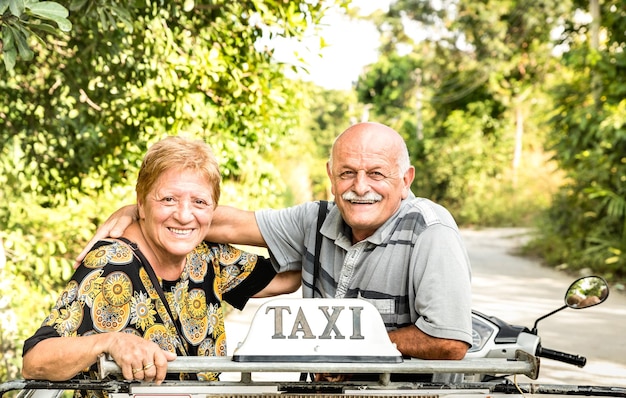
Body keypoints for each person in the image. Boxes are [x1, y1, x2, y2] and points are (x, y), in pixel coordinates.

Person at [79, 122, 473, 366]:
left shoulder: (430, 233)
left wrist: (352, 350)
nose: (360, 187)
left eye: (376, 174)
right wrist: (144, 210)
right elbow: (230, 223)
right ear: (331, 176)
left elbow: (450, 341)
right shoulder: (317, 219)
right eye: (347, 173)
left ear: (405, 180)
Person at [22, 136, 300, 391]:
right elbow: (35, 360)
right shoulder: (111, 265)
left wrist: (201, 222)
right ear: (141, 203)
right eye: (168, 199)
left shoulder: (206, 256)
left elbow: (291, 276)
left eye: (200, 202)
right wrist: (109, 341)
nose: (183, 215)